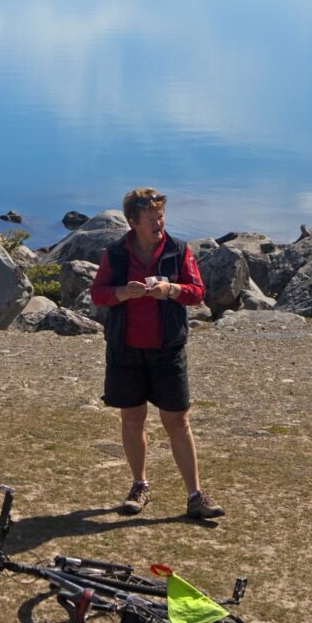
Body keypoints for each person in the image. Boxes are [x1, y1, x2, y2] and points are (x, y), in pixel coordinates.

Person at [89, 187, 224, 521]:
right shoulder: (117, 254)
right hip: (126, 350)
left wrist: (171, 290)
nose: (159, 223)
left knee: (178, 421)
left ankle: (195, 495)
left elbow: (198, 293)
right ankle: (139, 485)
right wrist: (122, 292)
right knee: (132, 419)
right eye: (151, 218)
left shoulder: (179, 251)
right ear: (133, 222)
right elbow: (98, 294)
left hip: (168, 350)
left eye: (161, 216)